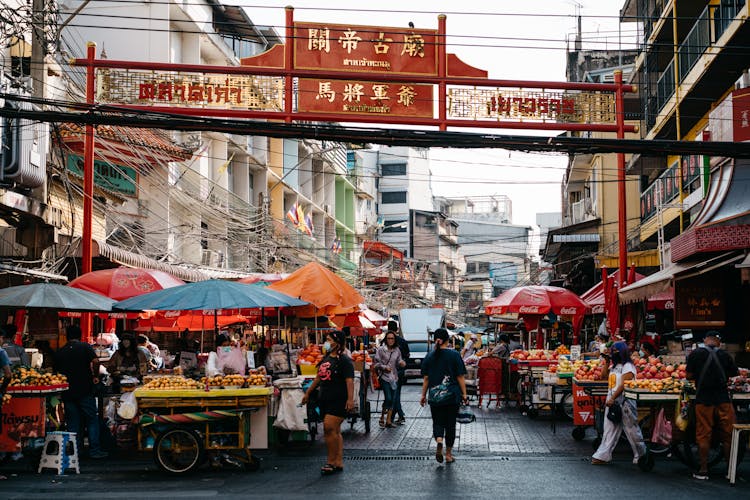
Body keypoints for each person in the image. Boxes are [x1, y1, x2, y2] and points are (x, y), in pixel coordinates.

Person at [686, 331, 739, 481]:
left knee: (703, 434)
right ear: (718, 341)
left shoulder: (695, 354)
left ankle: (703, 470)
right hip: (723, 399)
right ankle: (730, 470)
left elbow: (688, 375)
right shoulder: (725, 355)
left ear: (704, 340)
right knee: (728, 435)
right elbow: (734, 373)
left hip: (704, 400)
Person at [301, 330, 354, 476]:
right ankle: (338, 461)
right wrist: (308, 393)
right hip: (325, 398)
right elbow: (318, 378)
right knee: (335, 431)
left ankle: (331, 462)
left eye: (329, 339)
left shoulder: (344, 361)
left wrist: (350, 399)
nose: (326, 342)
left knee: (329, 427)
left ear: (337, 342)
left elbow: (349, 381)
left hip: (338, 399)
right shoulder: (326, 359)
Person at [591, 341, 650, 468]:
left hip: (625, 402)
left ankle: (642, 455)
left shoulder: (628, 366)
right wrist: (606, 361)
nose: (613, 354)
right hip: (612, 402)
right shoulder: (614, 366)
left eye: (615, 351)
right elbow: (603, 376)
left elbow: (624, 384)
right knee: (609, 429)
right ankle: (602, 455)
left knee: (632, 430)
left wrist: (612, 397)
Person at [54, 325, 108, 459]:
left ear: (67, 336)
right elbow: (96, 361)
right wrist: (95, 375)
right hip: (85, 389)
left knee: (73, 422)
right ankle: (94, 450)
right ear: (80, 335)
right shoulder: (85, 347)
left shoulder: (61, 351)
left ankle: (75, 451)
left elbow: (56, 372)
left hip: (68, 391)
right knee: (91, 419)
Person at [420, 328, 468, 464]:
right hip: (452, 397)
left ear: (435, 339)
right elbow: (460, 376)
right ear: (448, 340)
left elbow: (426, 379)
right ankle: (448, 454)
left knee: (438, 422)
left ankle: (439, 440)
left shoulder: (429, 356)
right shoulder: (454, 355)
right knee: (450, 425)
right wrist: (464, 394)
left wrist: (423, 395)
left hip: (435, 397)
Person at [374, 330, 405, 428]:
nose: (390, 340)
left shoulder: (397, 350)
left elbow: (399, 360)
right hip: (384, 377)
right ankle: (382, 417)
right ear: (385, 339)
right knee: (388, 398)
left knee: (393, 399)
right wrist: (384, 367)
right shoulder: (381, 350)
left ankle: (388, 421)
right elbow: (376, 364)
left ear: (395, 340)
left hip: (394, 378)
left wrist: (402, 363)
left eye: (392, 338)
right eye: (388, 338)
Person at [393, 328, 410, 425]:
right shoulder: (403, 341)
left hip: (392, 371)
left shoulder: (386, 341)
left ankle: (399, 414)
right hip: (400, 370)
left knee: (394, 394)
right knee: (396, 393)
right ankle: (398, 414)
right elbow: (408, 354)